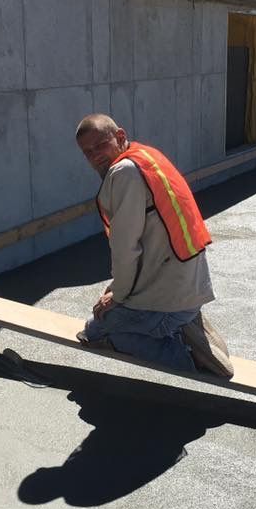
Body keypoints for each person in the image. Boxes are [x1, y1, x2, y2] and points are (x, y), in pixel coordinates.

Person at [74, 113, 233, 378]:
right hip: (189, 287)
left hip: (170, 299)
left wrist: (118, 296)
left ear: (120, 136)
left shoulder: (123, 173)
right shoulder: (145, 157)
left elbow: (126, 249)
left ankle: (186, 354)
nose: (95, 156)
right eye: (87, 152)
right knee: (111, 309)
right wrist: (116, 288)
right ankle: (185, 323)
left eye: (100, 145)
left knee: (96, 330)